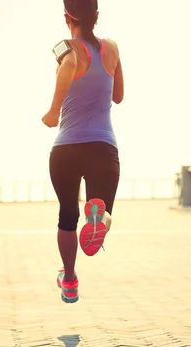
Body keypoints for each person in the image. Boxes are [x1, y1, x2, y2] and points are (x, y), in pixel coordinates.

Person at [42, 0, 124, 303]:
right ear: (97, 16)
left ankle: (70, 280)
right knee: (104, 210)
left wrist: (53, 111)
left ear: (67, 17)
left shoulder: (64, 47)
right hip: (102, 147)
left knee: (66, 215)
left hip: (66, 148)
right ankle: (98, 219)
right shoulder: (112, 48)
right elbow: (119, 96)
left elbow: (69, 64)